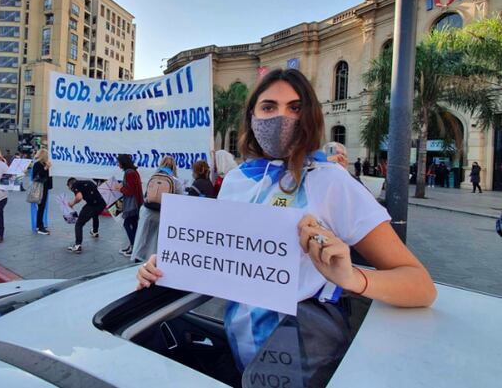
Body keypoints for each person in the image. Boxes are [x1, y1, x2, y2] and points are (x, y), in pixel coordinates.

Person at [137, 68, 436, 374]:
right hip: (239, 350)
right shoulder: (236, 180)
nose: (281, 118)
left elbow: (421, 286)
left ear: (310, 116)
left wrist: (352, 278)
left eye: (294, 107)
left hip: (304, 355)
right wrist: (169, 263)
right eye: (268, 107)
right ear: (252, 118)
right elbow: (222, 259)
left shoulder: (332, 181)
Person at [130, 155, 184, 262]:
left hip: (147, 211)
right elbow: (179, 200)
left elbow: (147, 195)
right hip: (162, 213)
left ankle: (137, 256)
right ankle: (152, 260)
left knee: (142, 235)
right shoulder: (175, 181)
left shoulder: (154, 176)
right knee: (156, 240)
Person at [66, 177, 107, 254]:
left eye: (69, 188)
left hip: (93, 205)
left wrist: (72, 203)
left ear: (70, 184)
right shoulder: (87, 182)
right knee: (94, 215)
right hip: (101, 204)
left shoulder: (75, 185)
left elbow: (79, 197)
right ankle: (95, 231)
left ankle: (77, 245)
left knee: (79, 224)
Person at [116, 153, 144, 256]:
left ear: (123, 163)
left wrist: (120, 188)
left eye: (118, 162)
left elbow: (130, 191)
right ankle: (134, 245)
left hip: (132, 204)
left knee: (127, 224)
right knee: (134, 226)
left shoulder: (129, 173)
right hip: (136, 203)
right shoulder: (132, 172)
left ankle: (133, 247)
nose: (118, 164)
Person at [31, 148, 53, 235]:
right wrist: (45, 168)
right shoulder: (37, 164)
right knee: (41, 207)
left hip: (45, 187)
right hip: (39, 188)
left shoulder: (46, 164)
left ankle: (39, 225)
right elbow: (36, 176)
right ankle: (40, 226)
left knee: (42, 207)